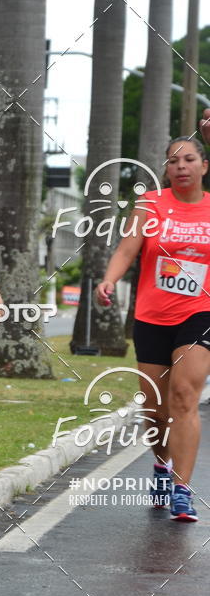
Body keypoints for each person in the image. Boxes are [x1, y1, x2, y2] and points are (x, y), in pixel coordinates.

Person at [96, 137, 210, 522]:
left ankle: (182, 489)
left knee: (184, 396)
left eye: (189, 159)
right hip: (152, 316)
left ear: (204, 167)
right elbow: (128, 249)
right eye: (173, 160)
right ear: (165, 169)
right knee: (155, 408)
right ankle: (161, 466)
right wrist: (109, 280)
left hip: (200, 312)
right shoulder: (150, 204)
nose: (181, 166)